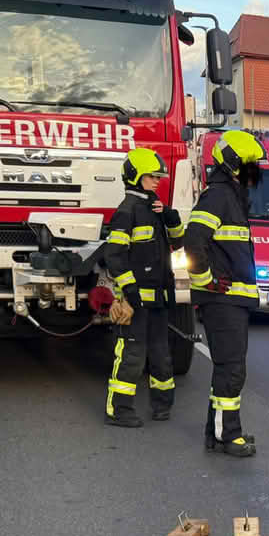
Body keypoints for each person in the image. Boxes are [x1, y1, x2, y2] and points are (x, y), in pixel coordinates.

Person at [186, 130, 264, 458]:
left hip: (231, 299)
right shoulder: (219, 196)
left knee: (227, 368)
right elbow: (193, 240)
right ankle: (227, 435)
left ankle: (216, 430)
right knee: (232, 370)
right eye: (250, 165)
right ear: (233, 164)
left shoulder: (230, 196)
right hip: (223, 300)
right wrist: (206, 280)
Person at [100, 147, 185, 427]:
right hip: (136, 302)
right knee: (131, 355)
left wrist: (171, 218)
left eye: (158, 176)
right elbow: (114, 256)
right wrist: (130, 291)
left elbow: (178, 242)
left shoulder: (155, 208)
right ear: (136, 176)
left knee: (161, 355)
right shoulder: (126, 212)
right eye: (152, 176)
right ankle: (118, 410)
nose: (157, 181)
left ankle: (162, 405)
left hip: (158, 301)